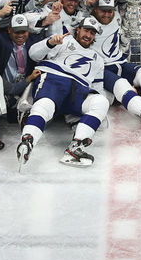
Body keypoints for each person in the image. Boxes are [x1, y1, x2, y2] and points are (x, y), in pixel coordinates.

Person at [18, 17, 109, 167]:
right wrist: (50, 42)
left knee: (101, 101)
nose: (88, 35)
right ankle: (28, 141)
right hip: (55, 78)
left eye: (92, 33)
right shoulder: (64, 40)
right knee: (46, 105)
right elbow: (33, 54)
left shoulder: (98, 60)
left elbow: (98, 89)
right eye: (86, 30)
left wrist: (99, 114)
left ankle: (75, 148)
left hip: (79, 89)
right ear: (78, 30)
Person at [90, 0, 141, 131]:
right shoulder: (88, 23)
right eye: (103, 10)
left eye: (110, 10)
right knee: (122, 85)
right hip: (102, 68)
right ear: (95, 10)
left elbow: (134, 6)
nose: (107, 14)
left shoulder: (118, 16)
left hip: (120, 61)